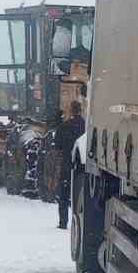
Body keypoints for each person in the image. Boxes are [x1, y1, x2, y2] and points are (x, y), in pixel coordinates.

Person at [54, 97, 86, 229]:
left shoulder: (64, 126)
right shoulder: (86, 126)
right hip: (83, 167)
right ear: (81, 110)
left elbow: (57, 145)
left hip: (68, 164)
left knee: (64, 195)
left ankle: (63, 222)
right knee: (81, 196)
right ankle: (80, 223)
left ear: (71, 111)